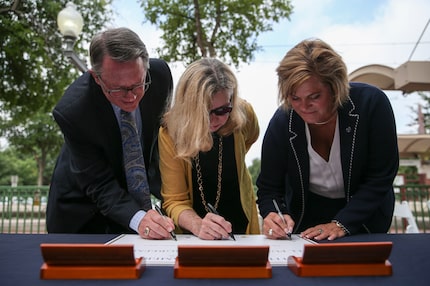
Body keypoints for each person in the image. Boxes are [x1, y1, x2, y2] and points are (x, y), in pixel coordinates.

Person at [257, 38, 399, 241]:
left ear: (335, 88)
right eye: (294, 98)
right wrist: (273, 214)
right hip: (305, 218)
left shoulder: (372, 104)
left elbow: (380, 177)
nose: (304, 106)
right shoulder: (282, 121)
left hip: (366, 217)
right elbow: (269, 187)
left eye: (314, 96)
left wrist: (341, 223)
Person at [46, 27, 175, 239]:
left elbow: (160, 143)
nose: (131, 97)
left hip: (133, 208)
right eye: (118, 89)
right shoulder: (73, 111)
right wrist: (138, 218)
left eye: (138, 84)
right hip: (82, 214)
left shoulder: (160, 77)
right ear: (96, 77)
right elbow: (99, 184)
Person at [158, 58, 260, 240]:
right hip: (193, 237)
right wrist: (198, 224)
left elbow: (250, 139)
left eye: (222, 110)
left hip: (243, 231)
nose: (213, 120)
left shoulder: (244, 115)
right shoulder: (170, 132)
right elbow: (175, 200)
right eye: (204, 111)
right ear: (188, 107)